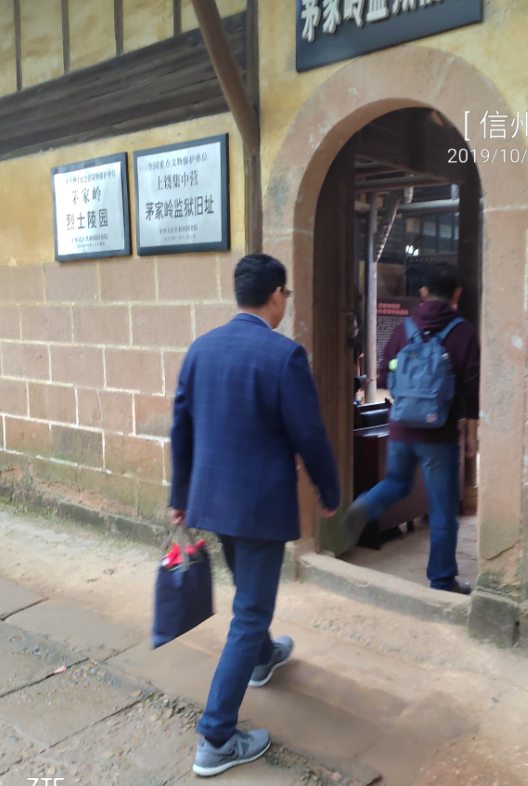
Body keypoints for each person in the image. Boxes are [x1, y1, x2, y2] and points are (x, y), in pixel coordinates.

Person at [169, 254, 340, 777]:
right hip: (260, 506)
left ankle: (263, 658)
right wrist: (329, 487)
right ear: (276, 295)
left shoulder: (201, 348)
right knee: (249, 614)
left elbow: (182, 427)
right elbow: (308, 432)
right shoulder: (284, 355)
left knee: (249, 595)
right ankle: (216, 737)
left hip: (213, 501)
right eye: (286, 294)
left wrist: (180, 495)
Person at [343, 262, 479, 595]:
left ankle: (365, 505)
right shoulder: (464, 333)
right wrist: (471, 435)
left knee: (397, 482)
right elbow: (472, 391)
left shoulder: (404, 329)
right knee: (443, 508)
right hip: (440, 434)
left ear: (423, 292)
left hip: (401, 428)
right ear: (457, 294)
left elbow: (385, 376)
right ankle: (442, 580)